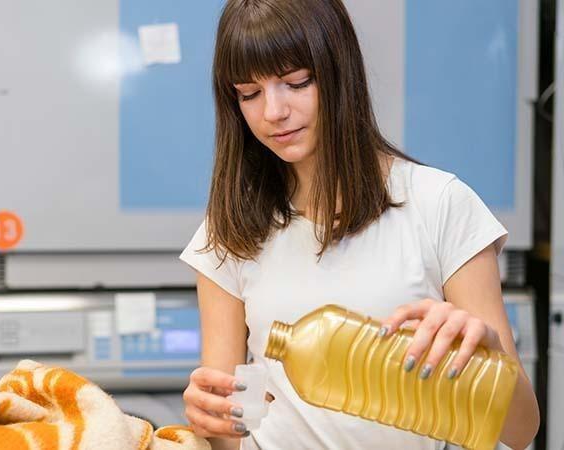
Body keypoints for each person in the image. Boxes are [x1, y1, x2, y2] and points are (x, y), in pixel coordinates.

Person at [178, 0, 540, 449]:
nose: (273, 111)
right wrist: (214, 421)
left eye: (296, 82)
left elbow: (522, 431)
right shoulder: (233, 227)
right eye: (249, 93)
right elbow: (247, 403)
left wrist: (490, 355)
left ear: (338, 72)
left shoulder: (438, 204)